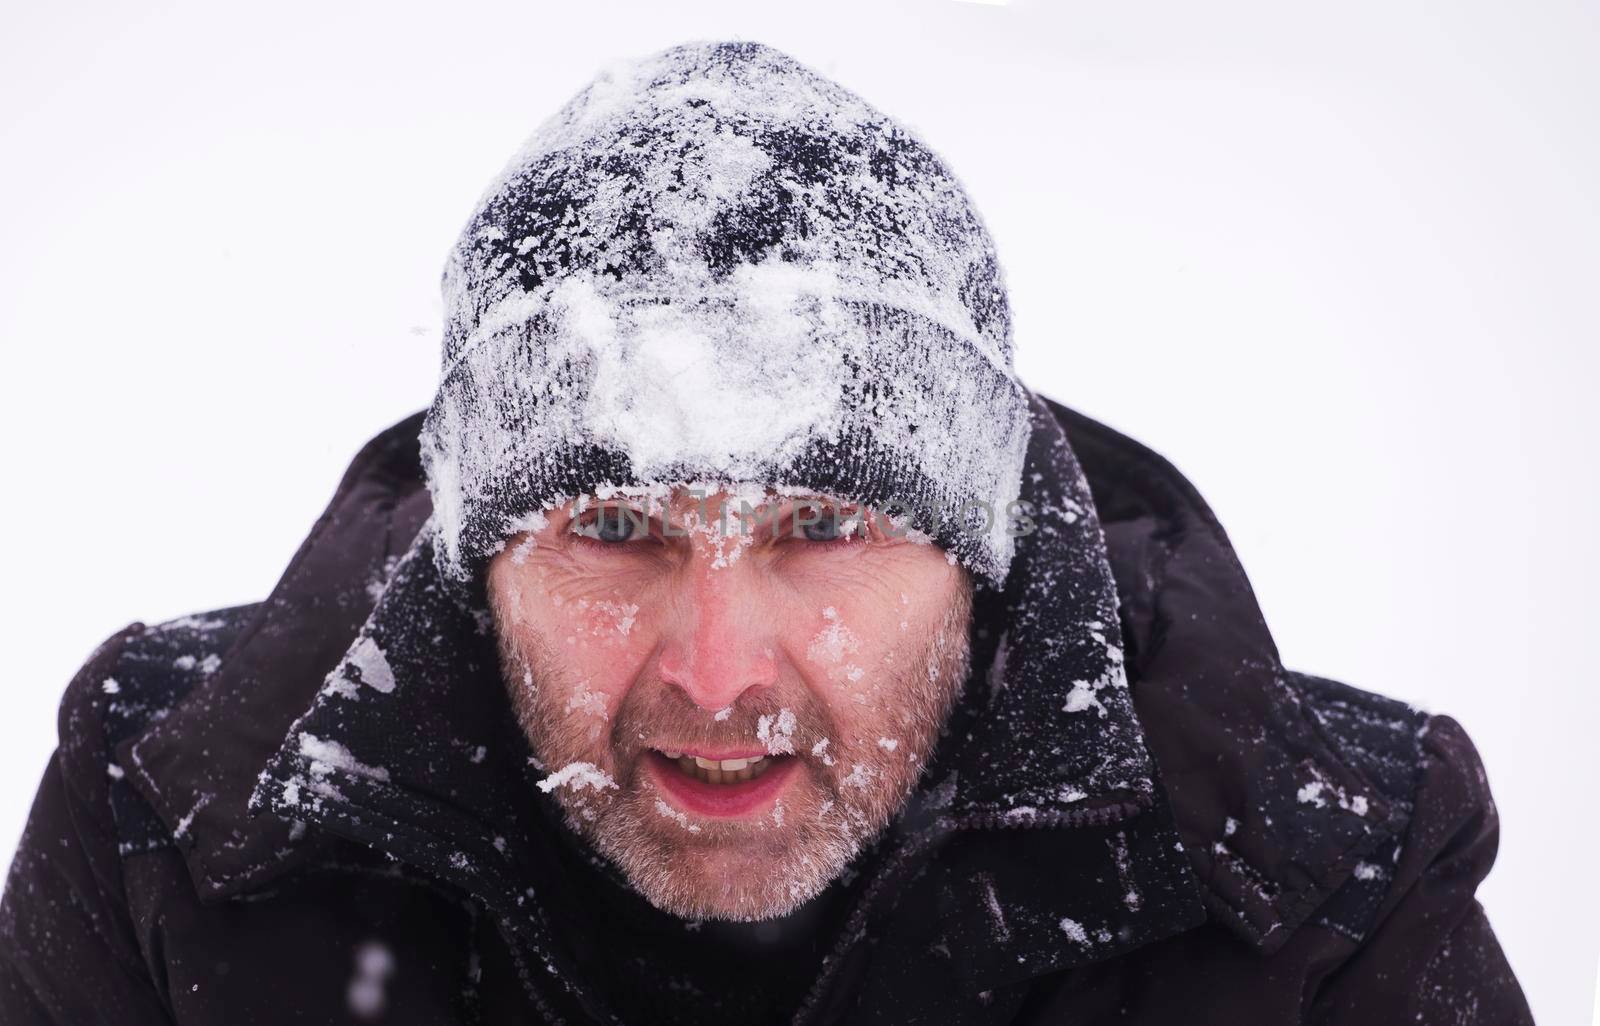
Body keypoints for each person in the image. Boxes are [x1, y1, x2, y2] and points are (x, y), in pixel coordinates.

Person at [0, 41, 1533, 1026]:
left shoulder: (1316, 884)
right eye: (611, 526)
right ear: (475, 561)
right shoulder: (168, 828)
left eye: (822, 522)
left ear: (977, 550)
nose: (721, 672)